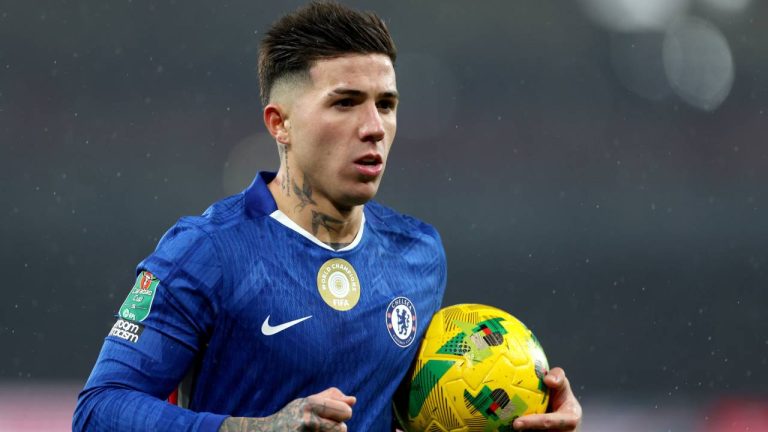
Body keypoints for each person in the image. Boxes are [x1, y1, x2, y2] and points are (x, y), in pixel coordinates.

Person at [73, 2, 582, 431]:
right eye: (345, 103)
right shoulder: (207, 251)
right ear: (280, 124)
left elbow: (412, 411)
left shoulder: (419, 254)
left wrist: (525, 408)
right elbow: (98, 410)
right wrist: (255, 429)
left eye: (386, 104)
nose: (374, 126)